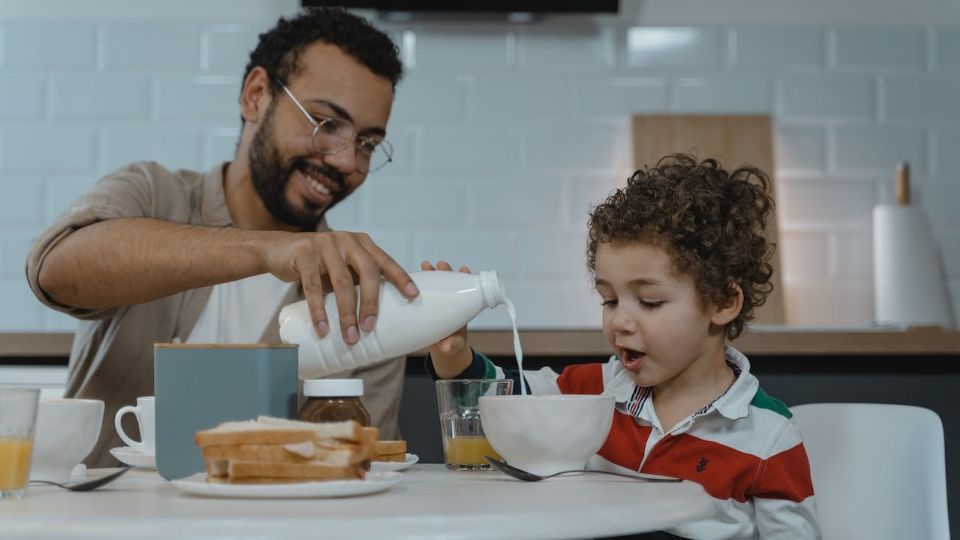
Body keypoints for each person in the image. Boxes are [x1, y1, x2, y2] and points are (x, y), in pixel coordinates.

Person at [25, 8, 420, 467]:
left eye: (368, 143)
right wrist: (267, 247)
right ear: (256, 96)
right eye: (325, 124)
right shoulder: (153, 194)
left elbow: (366, 471)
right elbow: (54, 271)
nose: (347, 161)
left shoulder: (359, 290)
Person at [427, 154, 821, 539]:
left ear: (721, 303)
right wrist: (452, 352)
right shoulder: (592, 390)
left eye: (649, 302)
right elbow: (498, 393)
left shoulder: (769, 437)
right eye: (609, 300)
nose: (619, 321)